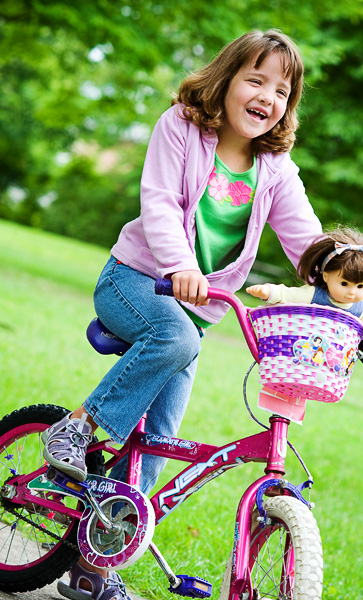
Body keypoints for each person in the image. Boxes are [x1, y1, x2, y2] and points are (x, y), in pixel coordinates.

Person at [41, 30, 322, 600]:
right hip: (135, 281)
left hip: (191, 316)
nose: (268, 97)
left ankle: (96, 567)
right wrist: (180, 265)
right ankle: (72, 430)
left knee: (158, 441)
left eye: (282, 90)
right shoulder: (183, 127)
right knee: (174, 336)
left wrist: (343, 284)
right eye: (256, 80)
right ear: (226, 80)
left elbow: (307, 244)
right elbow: (161, 202)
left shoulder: (275, 167)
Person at [247, 226, 363, 363]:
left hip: (335, 366)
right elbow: (289, 294)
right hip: (301, 355)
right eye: (344, 284)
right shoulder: (314, 295)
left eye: (360, 286)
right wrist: (268, 292)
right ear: (326, 276)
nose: (352, 292)